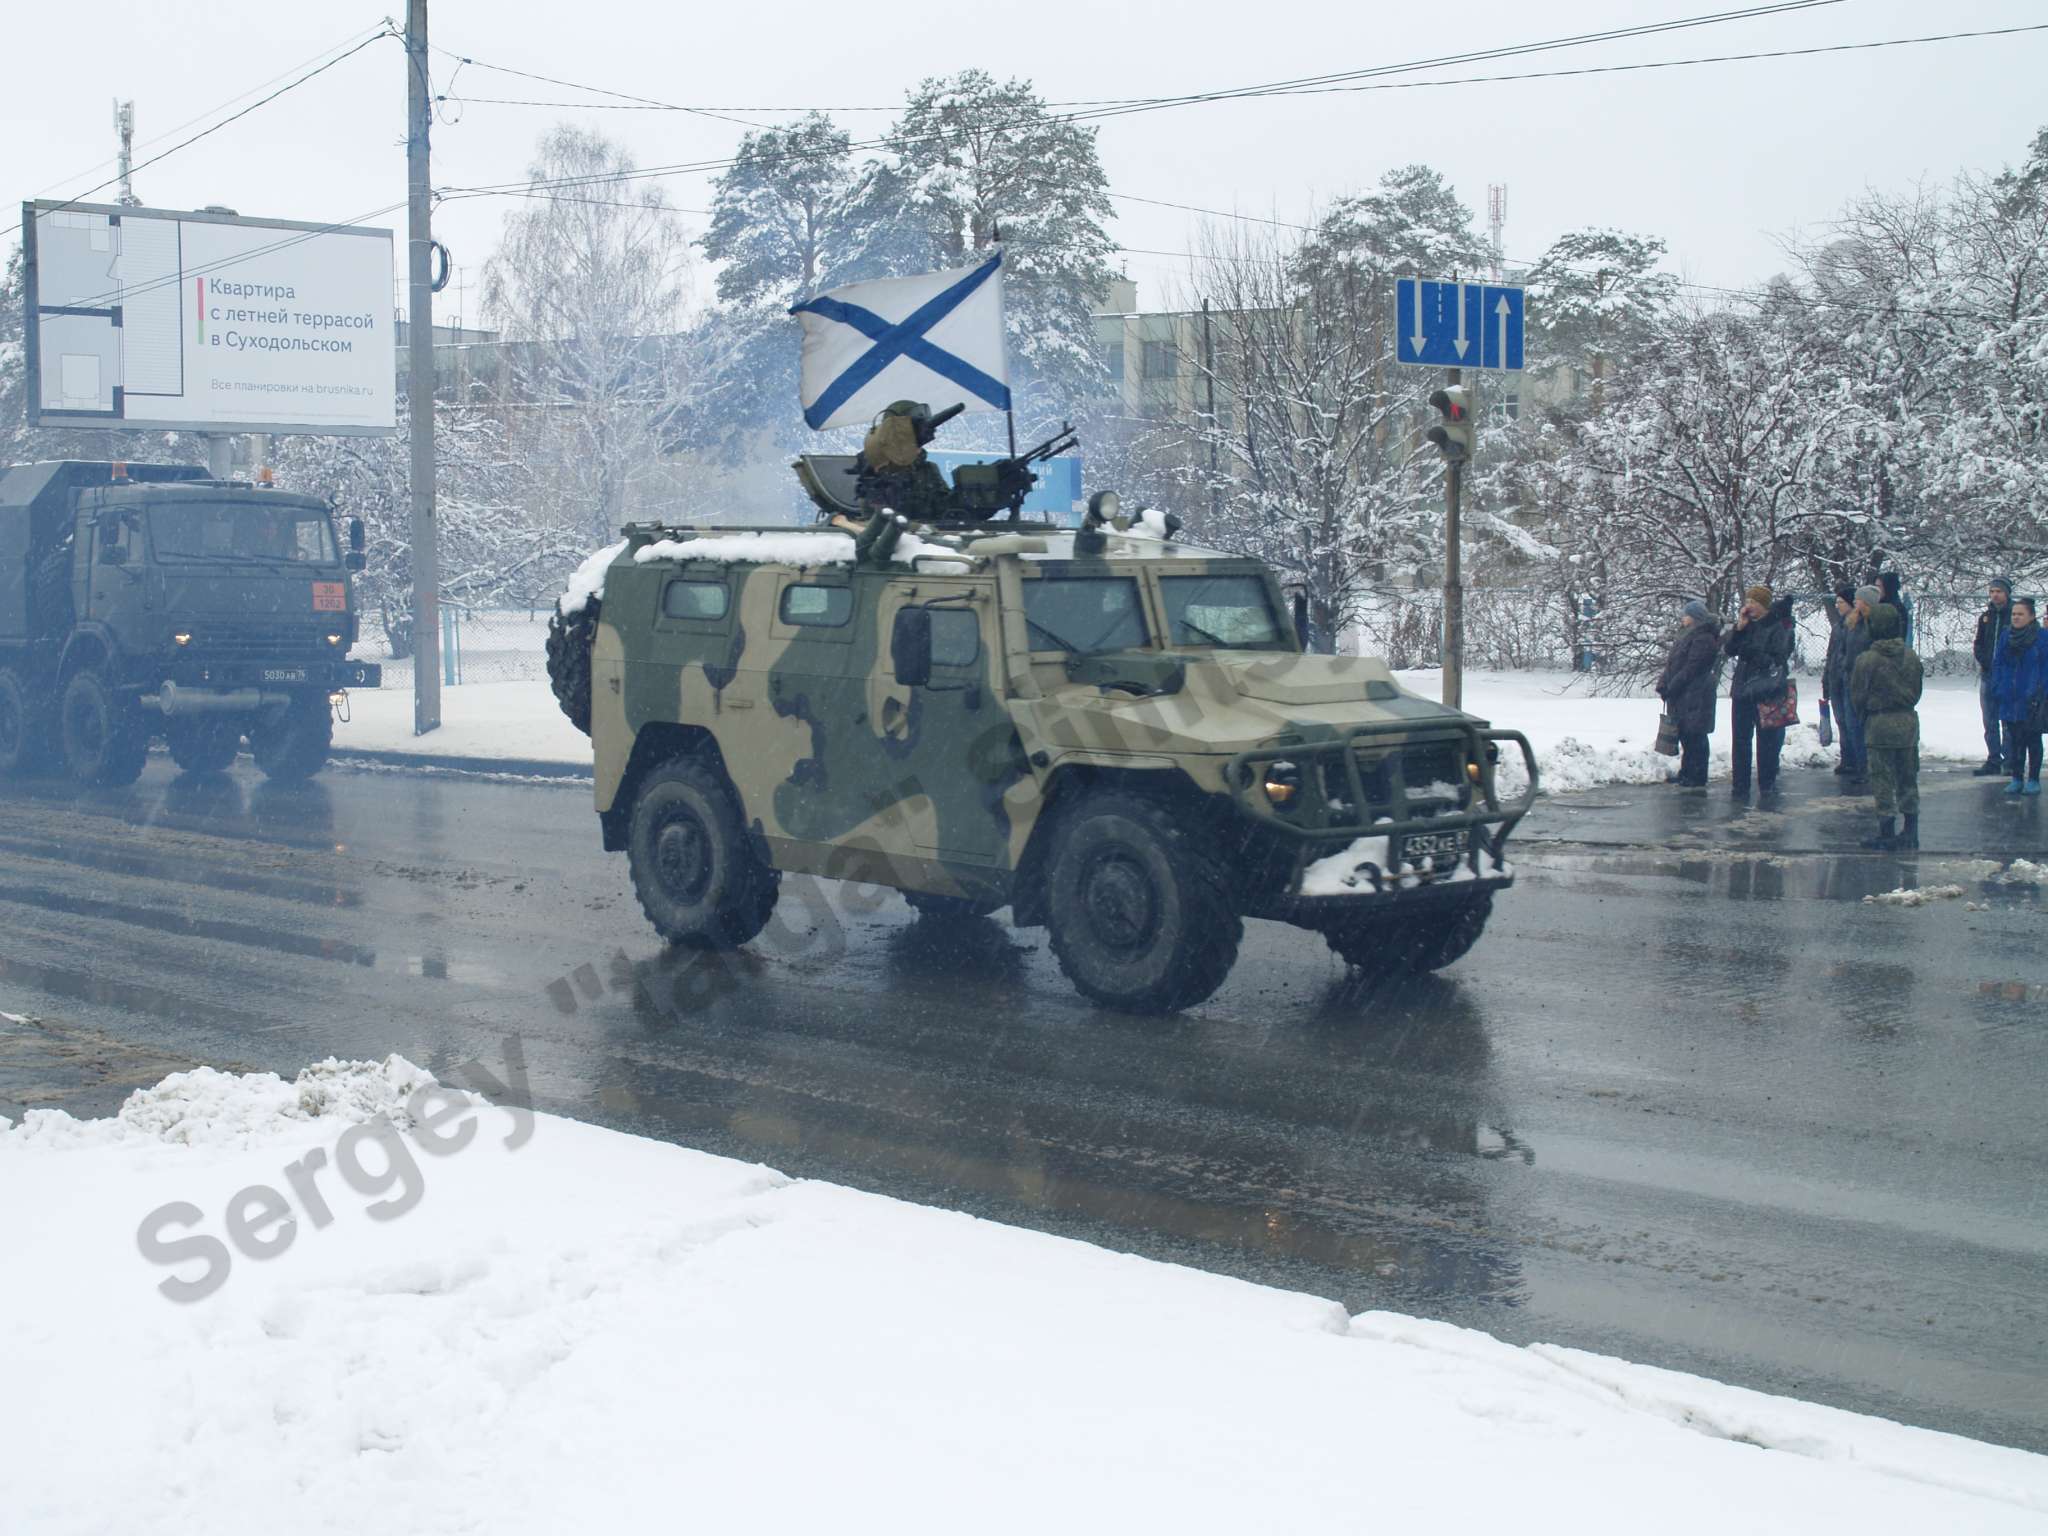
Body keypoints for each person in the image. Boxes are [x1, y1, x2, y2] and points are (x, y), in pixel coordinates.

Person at [1850, 602, 1924, 849]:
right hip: (1907, 723)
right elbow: (1917, 691)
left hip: (1879, 724)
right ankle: (1911, 831)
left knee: (1882, 779)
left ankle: (1886, 832)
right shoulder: (1911, 656)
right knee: (1907, 778)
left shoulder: (1867, 660)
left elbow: (1857, 695)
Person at [1722, 583, 1794, 799]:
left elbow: (1776, 660)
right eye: (1747, 601)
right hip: (1743, 690)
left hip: (1766, 691)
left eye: (1753, 602)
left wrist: (1752, 651)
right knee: (1741, 739)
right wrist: (1739, 629)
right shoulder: (1748, 625)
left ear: (1763, 605)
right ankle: (1740, 784)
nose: (1748, 605)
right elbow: (1729, 649)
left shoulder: (1777, 627)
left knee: (1767, 741)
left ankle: (1767, 783)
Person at [1657, 600, 1721, 788]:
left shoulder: (1703, 638)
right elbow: (1673, 664)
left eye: (1686, 615)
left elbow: (1692, 667)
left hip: (1696, 693)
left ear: (1694, 618)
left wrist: (1673, 685)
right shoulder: (1685, 636)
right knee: (1685, 733)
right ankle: (1687, 772)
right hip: (1684, 694)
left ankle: (1697, 775)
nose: (1683, 618)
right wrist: (1664, 683)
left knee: (1695, 734)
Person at [1990, 595, 2047, 795]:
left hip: (2032, 698)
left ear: (2031, 617)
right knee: (2014, 740)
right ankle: (2016, 778)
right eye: (2014, 614)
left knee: (2032, 738)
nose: (2015, 617)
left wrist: (2039, 691)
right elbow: (1997, 662)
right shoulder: (2006, 636)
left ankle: (2033, 779)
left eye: (2020, 614)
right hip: (2009, 697)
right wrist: (1997, 687)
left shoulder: (2042, 637)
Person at [1821, 584, 1869, 782]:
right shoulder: (1839, 625)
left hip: (1850, 679)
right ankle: (1847, 758)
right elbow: (1832, 653)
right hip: (1836, 679)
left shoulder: (1858, 625)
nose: (1837, 605)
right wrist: (1827, 678)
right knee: (1841, 720)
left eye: (1841, 602)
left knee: (1853, 722)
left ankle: (1861, 763)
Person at [1972, 577, 2015, 775]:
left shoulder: (2014, 615)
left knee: (2007, 720)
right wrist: (1986, 661)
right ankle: (1993, 759)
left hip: (2008, 677)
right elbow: (1978, 644)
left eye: (1999, 591)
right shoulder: (1985, 618)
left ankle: (2010, 760)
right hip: (1989, 675)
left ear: (2007, 593)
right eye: (1992, 591)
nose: (1995, 595)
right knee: (1989, 720)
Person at [1875, 570, 1914, 646]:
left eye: (1878, 586)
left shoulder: (1897, 609)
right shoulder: (1875, 606)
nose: (1876, 590)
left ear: (1887, 587)